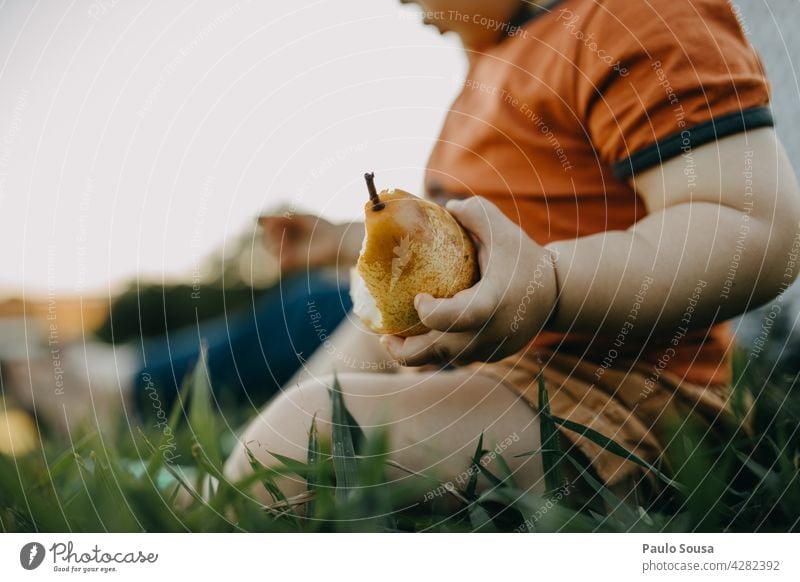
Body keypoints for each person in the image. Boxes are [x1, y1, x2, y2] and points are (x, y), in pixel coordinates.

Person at [224, 0, 800, 501]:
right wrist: (351, 241)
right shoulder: (492, 67)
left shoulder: (632, 17)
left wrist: (551, 285)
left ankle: (225, 489)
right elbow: (485, 242)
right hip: (507, 376)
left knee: (301, 442)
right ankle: (224, 480)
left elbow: (754, 224)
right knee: (338, 363)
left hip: (623, 397)